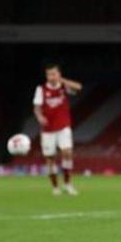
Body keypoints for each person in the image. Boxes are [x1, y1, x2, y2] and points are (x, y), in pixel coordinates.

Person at [33, 63, 83, 196]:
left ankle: (67, 184)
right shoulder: (41, 89)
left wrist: (63, 81)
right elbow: (37, 107)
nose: (51, 77)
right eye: (49, 74)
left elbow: (78, 87)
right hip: (48, 129)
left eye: (54, 74)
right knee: (50, 158)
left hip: (63, 127)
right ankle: (55, 187)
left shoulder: (64, 87)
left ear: (59, 74)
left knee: (67, 152)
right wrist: (39, 116)